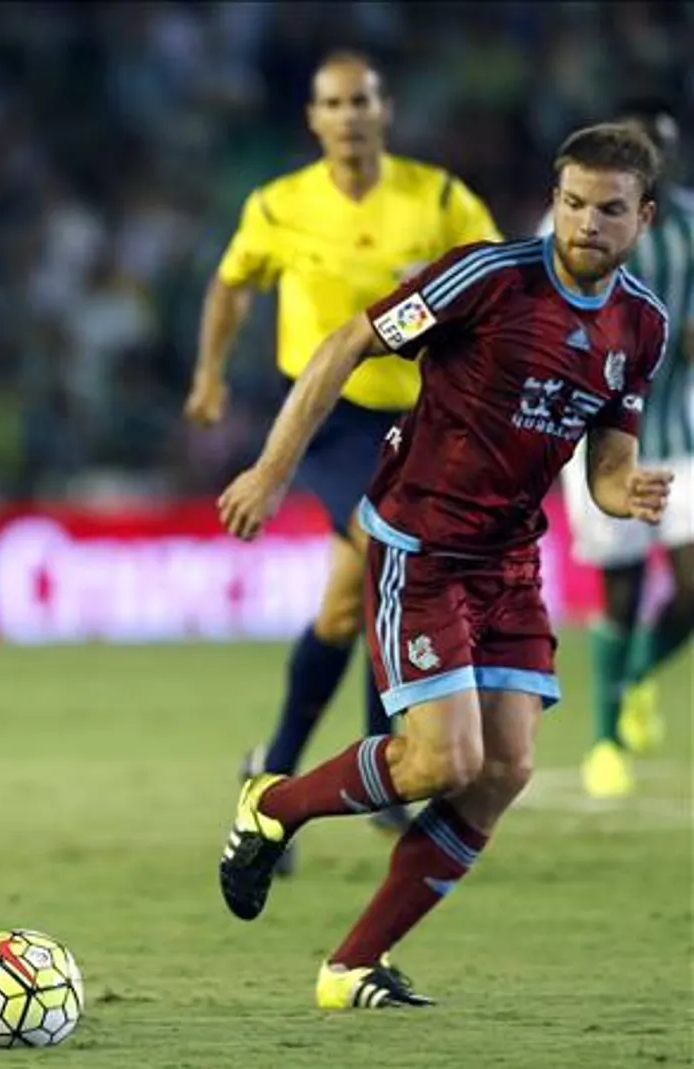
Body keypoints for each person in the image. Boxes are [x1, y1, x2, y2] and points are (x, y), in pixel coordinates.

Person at [214, 123, 671, 1010]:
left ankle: (350, 967)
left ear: (642, 217)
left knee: (505, 768)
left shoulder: (641, 325)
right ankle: (273, 804)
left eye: (610, 210)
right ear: (554, 199)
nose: (587, 223)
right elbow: (348, 341)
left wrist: (628, 494)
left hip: (511, 561)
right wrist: (271, 471)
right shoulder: (489, 278)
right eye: (573, 202)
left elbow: (608, 465)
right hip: (420, 545)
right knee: (441, 761)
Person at [187, 51, 502, 863]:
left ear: (384, 109)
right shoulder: (279, 204)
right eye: (334, 103)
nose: (349, 115)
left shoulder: (439, 198)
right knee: (382, 543)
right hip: (330, 418)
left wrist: (447, 289)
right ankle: (383, 753)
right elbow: (231, 285)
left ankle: (274, 770)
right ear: (313, 118)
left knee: (340, 605)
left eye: (362, 100)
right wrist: (211, 374)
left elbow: (502, 283)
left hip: (426, 416)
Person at [559, 99, 694, 798]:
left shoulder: (689, 228)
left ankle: (638, 672)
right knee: (623, 587)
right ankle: (606, 742)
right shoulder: (573, 227)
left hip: (677, 433)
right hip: (599, 438)